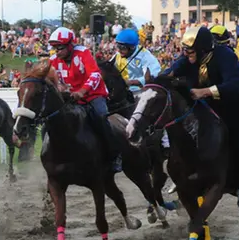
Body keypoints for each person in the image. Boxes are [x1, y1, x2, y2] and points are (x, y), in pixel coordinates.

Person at [162, 26, 239, 215]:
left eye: (190, 51)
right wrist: (160, 80)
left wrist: (205, 92)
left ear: (202, 50)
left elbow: (234, 84)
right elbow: (173, 70)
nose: (186, 55)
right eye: (185, 51)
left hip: (229, 105)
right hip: (202, 105)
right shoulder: (189, 57)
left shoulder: (226, 56)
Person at [47, 27, 122, 173]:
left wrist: (82, 91)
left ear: (70, 45)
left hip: (94, 95)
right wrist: (60, 87)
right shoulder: (53, 60)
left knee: (101, 117)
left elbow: (95, 75)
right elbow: (52, 80)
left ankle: (115, 155)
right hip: (70, 98)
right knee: (50, 122)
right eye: (55, 48)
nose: (56, 51)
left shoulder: (83, 53)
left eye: (60, 48)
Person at [111, 28, 169, 153]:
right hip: (125, 93)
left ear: (131, 48)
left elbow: (154, 74)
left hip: (142, 92)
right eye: (118, 47)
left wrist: (132, 82)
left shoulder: (145, 56)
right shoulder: (117, 56)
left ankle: (166, 142)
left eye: (122, 48)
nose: (119, 50)